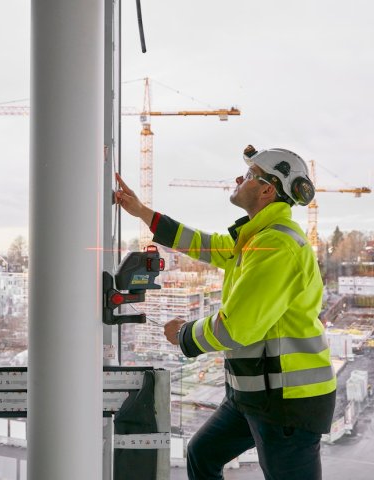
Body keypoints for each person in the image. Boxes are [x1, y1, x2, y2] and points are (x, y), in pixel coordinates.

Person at [115, 145, 336, 480]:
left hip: (288, 402)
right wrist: (143, 212)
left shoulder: (277, 246)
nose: (238, 178)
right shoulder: (255, 238)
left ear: (267, 189)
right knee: (202, 455)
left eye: (249, 174)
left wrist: (184, 334)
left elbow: (236, 328)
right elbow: (202, 244)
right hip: (253, 394)